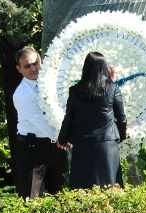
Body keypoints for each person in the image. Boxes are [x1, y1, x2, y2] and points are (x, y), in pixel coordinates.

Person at [57, 52, 127, 189]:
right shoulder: (113, 89)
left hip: (83, 144)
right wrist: (120, 136)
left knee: (82, 187)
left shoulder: (75, 90)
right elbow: (122, 117)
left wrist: (62, 138)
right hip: (107, 143)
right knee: (110, 186)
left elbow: (69, 118)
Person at [13, 46, 69, 199]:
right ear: (19, 69)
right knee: (30, 198)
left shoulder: (54, 84)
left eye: (35, 63)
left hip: (56, 147)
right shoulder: (21, 94)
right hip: (32, 149)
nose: (33, 68)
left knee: (62, 196)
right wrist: (66, 138)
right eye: (27, 66)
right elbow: (41, 122)